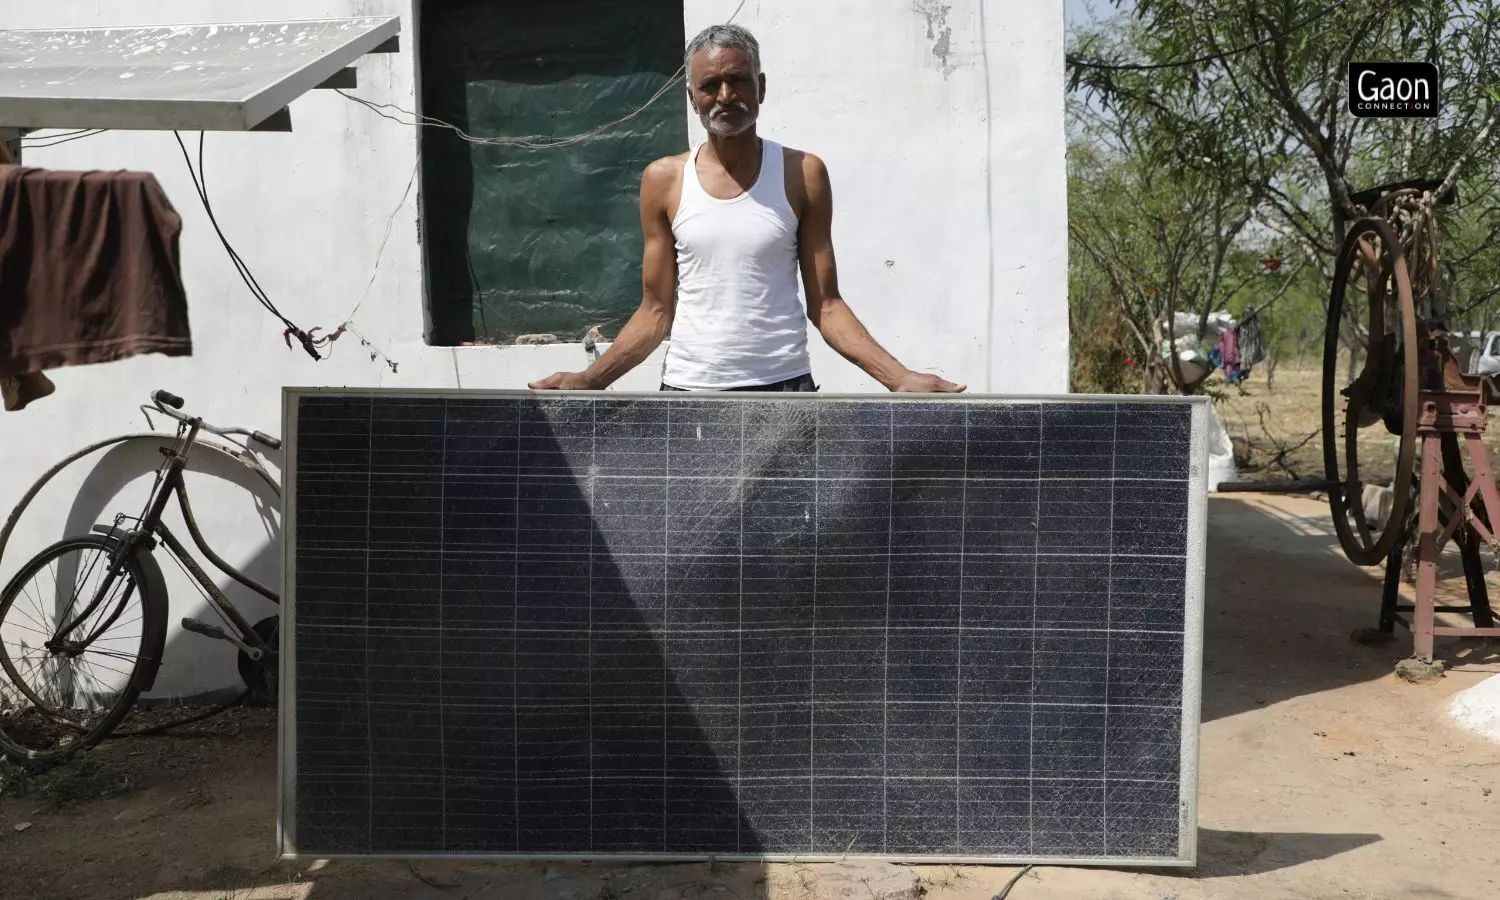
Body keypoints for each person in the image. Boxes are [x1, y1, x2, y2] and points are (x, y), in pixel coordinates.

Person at [529, 24, 964, 394]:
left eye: (738, 80)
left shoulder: (803, 174)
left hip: (786, 392)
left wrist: (900, 378)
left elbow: (826, 306)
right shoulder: (663, 181)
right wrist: (591, 380)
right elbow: (656, 311)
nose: (725, 95)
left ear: (761, 87)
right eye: (709, 85)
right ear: (691, 96)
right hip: (690, 392)